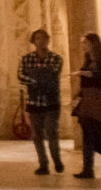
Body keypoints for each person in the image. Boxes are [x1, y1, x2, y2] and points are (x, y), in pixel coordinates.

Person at [19, 29, 65, 175]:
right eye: (37, 38)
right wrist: (38, 78)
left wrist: (34, 77)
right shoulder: (26, 59)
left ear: (48, 40)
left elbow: (53, 74)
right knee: (37, 135)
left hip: (51, 100)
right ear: (33, 41)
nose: (41, 41)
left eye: (43, 38)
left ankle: (56, 160)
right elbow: (21, 76)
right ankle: (43, 163)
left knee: (52, 132)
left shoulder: (56, 58)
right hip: (34, 101)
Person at [74, 32, 101, 179]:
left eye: (85, 42)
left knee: (95, 133)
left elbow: (97, 76)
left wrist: (85, 73)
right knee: (87, 134)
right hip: (87, 100)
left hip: (97, 99)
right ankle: (87, 169)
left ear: (93, 43)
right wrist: (78, 95)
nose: (83, 45)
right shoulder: (87, 59)